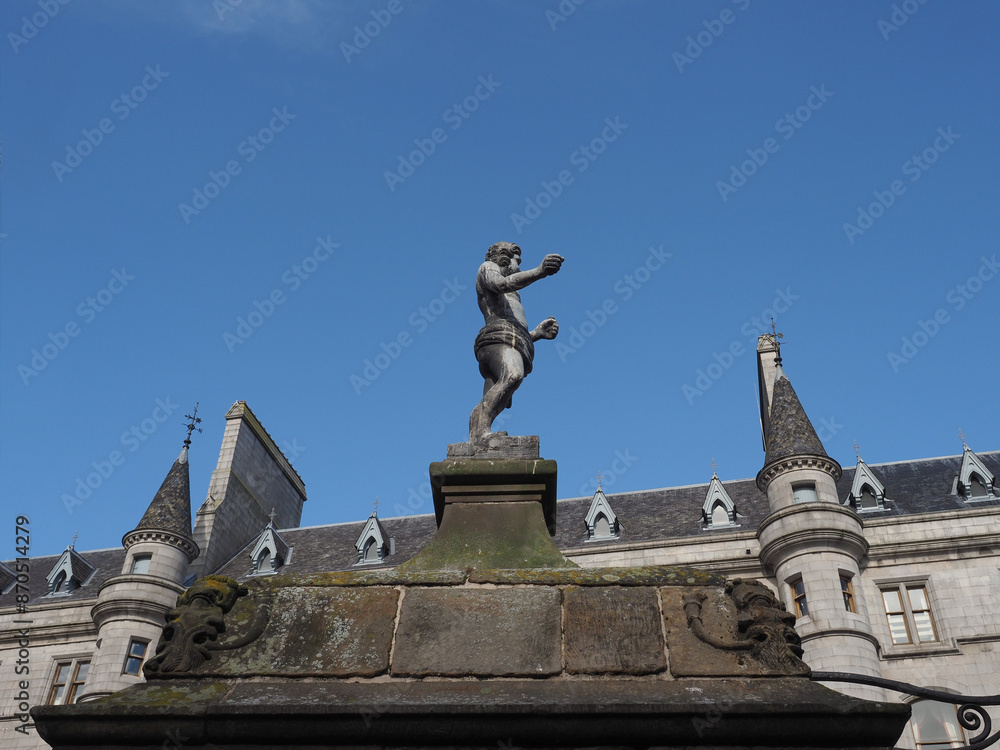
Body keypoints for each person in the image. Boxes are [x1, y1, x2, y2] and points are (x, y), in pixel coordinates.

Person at [468, 242, 564, 442]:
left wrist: (537, 334)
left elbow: (515, 327)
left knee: (499, 394)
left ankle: (477, 436)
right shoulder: (488, 268)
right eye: (517, 261)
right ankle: (482, 433)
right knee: (513, 375)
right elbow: (501, 284)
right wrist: (539, 271)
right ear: (504, 257)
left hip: (511, 340)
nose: (519, 266)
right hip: (497, 337)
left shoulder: (514, 294)